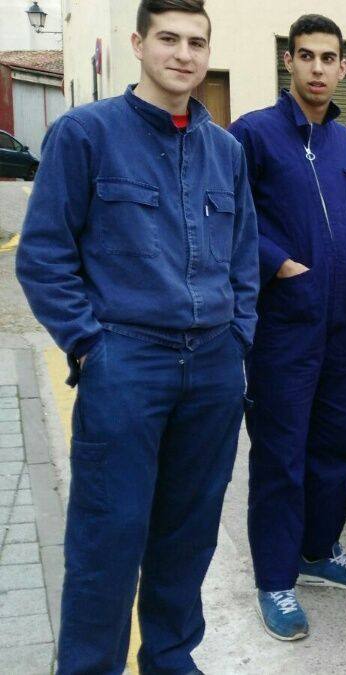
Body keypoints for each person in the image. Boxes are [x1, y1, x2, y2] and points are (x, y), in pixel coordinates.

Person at [15, 1, 258, 671]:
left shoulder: (226, 152)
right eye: (169, 39)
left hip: (212, 370)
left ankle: (171, 655)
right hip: (126, 364)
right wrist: (90, 346)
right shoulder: (84, 136)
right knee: (108, 535)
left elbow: (243, 257)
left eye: (196, 42)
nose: (184, 54)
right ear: (138, 44)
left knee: (187, 532)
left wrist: (238, 337)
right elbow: (41, 255)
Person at [228, 14, 346, 641]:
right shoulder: (254, 136)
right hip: (284, 327)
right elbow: (230, 218)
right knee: (281, 455)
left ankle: (318, 552)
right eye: (307, 56)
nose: (318, 68)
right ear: (288, 62)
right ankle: (275, 579)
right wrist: (278, 264)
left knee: (336, 447)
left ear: (343, 68)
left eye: (330, 58)